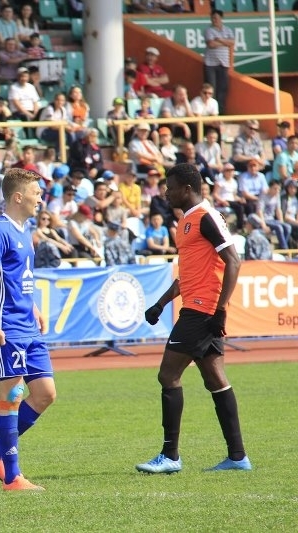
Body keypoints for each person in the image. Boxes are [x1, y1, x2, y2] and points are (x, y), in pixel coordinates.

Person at [139, 163, 250, 475]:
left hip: (202, 310)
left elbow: (233, 261)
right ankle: (238, 457)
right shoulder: (186, 221)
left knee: (168, 375)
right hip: (198, 307)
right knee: (215, 380)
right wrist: (160, 304)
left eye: (170, 187)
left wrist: (221, 309)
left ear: (187, 189)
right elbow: (188, 274)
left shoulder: (206, 216)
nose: (166, 192)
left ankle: (170, 455)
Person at [0, 168, 54, 491]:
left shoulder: (25, 230)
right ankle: (12, 476)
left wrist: (34, 308)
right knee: (11, 397)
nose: (40, 199)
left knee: (45, 394)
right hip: (6, 327)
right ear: (18, 197)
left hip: (27, 325)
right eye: (36, 193)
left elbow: (18, 278)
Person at [203, 9, 234, 114]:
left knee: (223, 89)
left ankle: (221, 112)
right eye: (213, 18)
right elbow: (211, 44)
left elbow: (232, 42)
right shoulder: (209, 30)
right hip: (210, 64)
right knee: (211, 88)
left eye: (216, 18)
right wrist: (225, 42)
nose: (214, 20)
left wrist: (219, 40)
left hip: (223, 64)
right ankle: (211, 112)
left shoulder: (228, 30)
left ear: (221, 18)